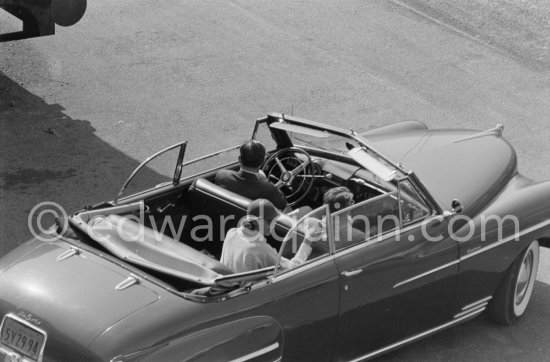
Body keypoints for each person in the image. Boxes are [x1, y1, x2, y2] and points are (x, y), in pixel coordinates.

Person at [220, 199, 318, 273]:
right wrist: (308, 240)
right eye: (271, 221)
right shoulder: (261, 250)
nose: (273, 225)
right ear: (260, 220)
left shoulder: (231, 232)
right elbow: (294, 268)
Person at [215, 140, 289, 211]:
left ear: (239, 159)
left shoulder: (221, 175)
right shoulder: (269, 189)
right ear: (263, 161)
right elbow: (283, 206)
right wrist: (265, 181)